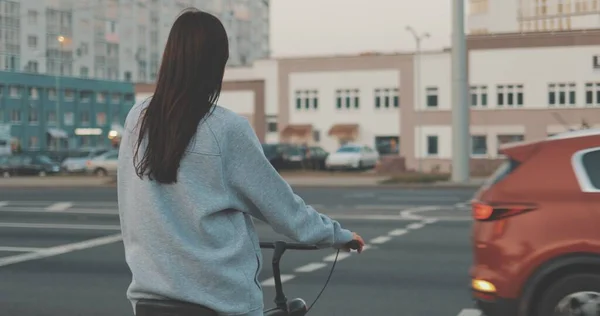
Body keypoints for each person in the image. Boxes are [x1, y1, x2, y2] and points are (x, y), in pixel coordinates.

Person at [117, 8, 365, 316]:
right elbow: (282, 208)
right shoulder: (225, 129)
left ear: (171, 57)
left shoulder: (137, 119)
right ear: (216, 64)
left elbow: (129, 206)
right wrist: (338, 236)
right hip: (219, 303)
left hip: (151, 301)